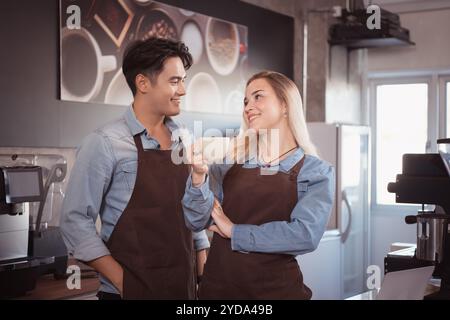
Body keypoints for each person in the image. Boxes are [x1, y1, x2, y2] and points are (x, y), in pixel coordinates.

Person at [60, 37, 209, 300]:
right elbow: (74, 221)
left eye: (184, 80)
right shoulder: (105, 143)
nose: (183, 90)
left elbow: (191, 210)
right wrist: (124, 283)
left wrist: (202, 270)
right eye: (174, 81)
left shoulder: (183, 138)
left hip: (183, 290)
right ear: (142, 83)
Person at [182, 71, 335, 299]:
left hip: (276, 293)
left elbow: (305, 234)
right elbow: (196, 221)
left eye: (257, 97)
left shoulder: (315, 171)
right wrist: (198, 177)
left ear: (284, 104)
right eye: (245, 101)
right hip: (218, 291)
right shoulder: (229, 164)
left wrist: (234, 231)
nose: (248, 107)